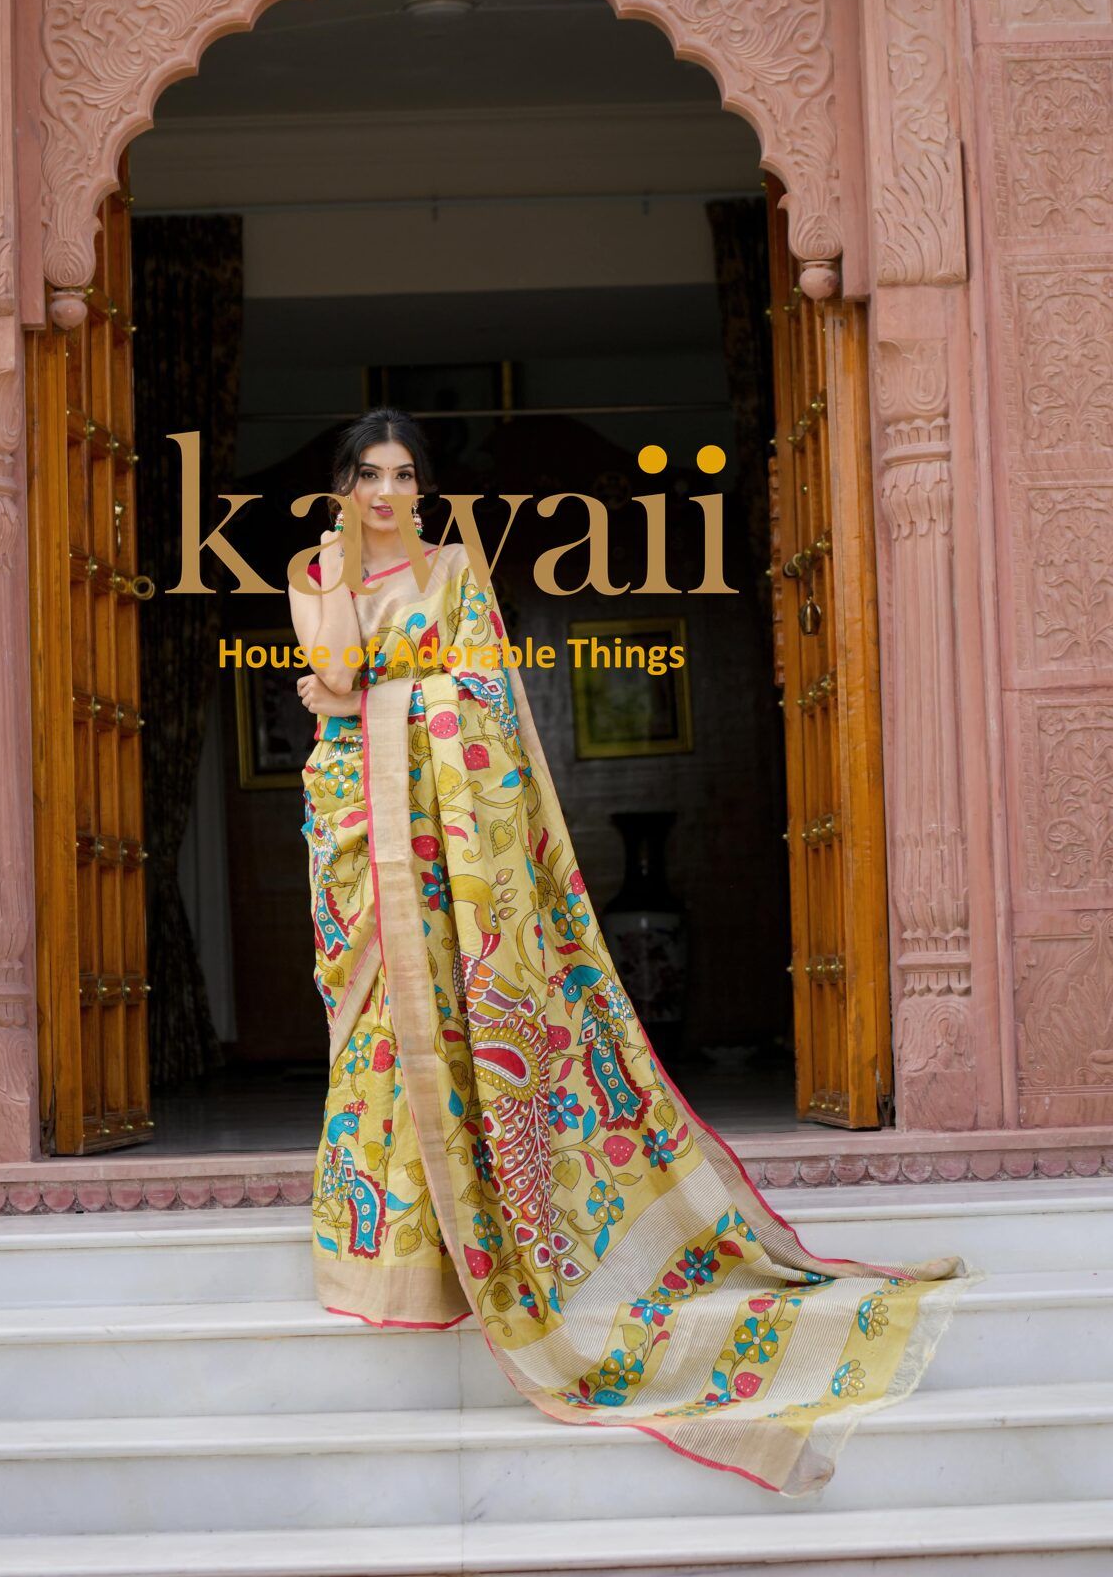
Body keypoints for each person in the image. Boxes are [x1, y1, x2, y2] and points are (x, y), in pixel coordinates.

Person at [286, 407, 973, 1497]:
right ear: (339, 482)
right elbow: (323, 671)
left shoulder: (456, 570)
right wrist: (360, 673)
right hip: (359, 837)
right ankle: (397, 1262)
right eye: (366, 474)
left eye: (403, 473)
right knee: (376, 1036)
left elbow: (476, 698)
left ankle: (501, 1252)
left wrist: (372, 690)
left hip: (447, 847)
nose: (384, 492)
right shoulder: (312, 567)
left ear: (422, 487)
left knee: (465, 1037)